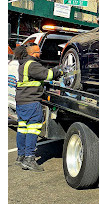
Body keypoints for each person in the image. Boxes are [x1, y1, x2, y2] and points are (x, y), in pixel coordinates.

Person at [14, 43, 63, 171]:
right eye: (38, 52)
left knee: (23, 128)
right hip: (31, 102)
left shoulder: (23, 63)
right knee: (33, 129)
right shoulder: (32, 64)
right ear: (32, 53)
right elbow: (47, 75)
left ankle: (21, 156)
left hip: (22, 102)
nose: (40, 53)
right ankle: (29, 159)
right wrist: (60, 70)